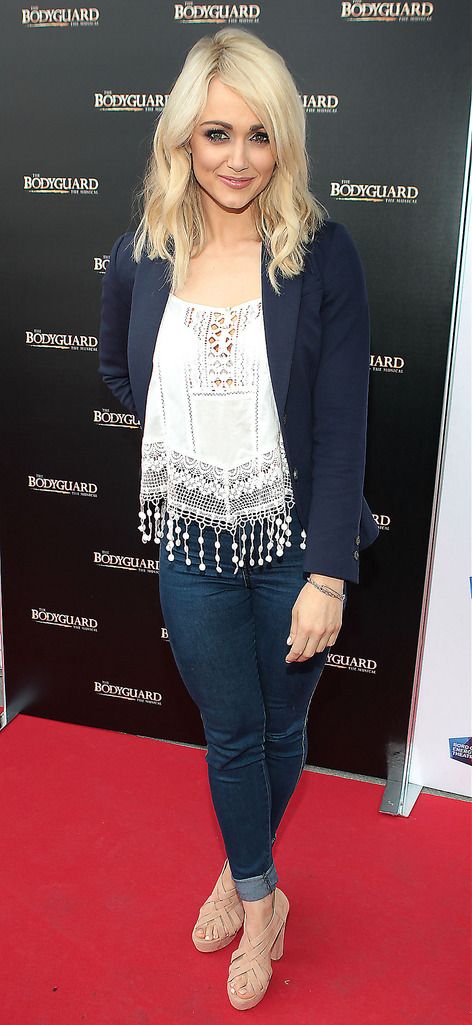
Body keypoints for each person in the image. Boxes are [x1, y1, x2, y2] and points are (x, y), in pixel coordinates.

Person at [98, 26, 379, 1012]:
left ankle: (237, 862)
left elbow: (344, 421)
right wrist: (193, 442)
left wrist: (327, 572)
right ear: (181, 136)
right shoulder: (143, 251)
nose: (236, 156)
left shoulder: (323, 254)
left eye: (259, 135)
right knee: (229, 733)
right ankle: (263, 897)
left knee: (280, 729)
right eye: (215, 132)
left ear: (284, 143)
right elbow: (117, 369)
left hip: (294, 548)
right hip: (192, 543)